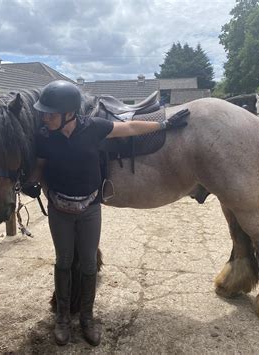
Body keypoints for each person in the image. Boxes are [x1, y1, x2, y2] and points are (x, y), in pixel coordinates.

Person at [31, 80, 188, 346]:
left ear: (69, 113)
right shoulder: (44, 138)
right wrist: (28, 182)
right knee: (64, 262)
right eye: (44, 113)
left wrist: (164, 125)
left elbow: (128, 128)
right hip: (60, 210)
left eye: (51, 113)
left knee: (89, 263)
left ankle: (87, 318)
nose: (45, 117)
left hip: (90, 209)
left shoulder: (92, 128)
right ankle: (62, 318)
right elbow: (39, 167)